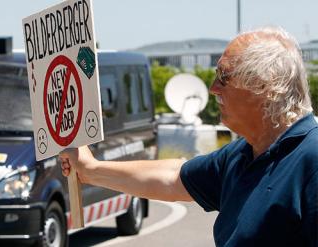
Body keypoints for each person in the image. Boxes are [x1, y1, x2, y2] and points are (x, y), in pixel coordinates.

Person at [60, 26, 318, 247]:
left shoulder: (311, 159)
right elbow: (173, 179)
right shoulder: (243, 155)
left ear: (265, 85)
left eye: (224, 76)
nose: (213, 88)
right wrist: (90, 169)